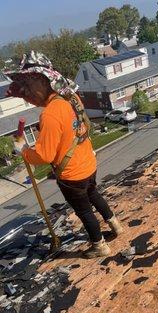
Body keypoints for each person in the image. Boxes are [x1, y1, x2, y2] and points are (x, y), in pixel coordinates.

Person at [7, 51, 123, 258]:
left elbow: (44, 156)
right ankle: (115, 225)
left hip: (72, 175)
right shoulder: (71, 98)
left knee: (85, 211)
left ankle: (100, 246)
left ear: (42, 80)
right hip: (88, 163)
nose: (27, 94)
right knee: (94, 194)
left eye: (28, 85)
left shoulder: (51, 114)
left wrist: (23, 149)